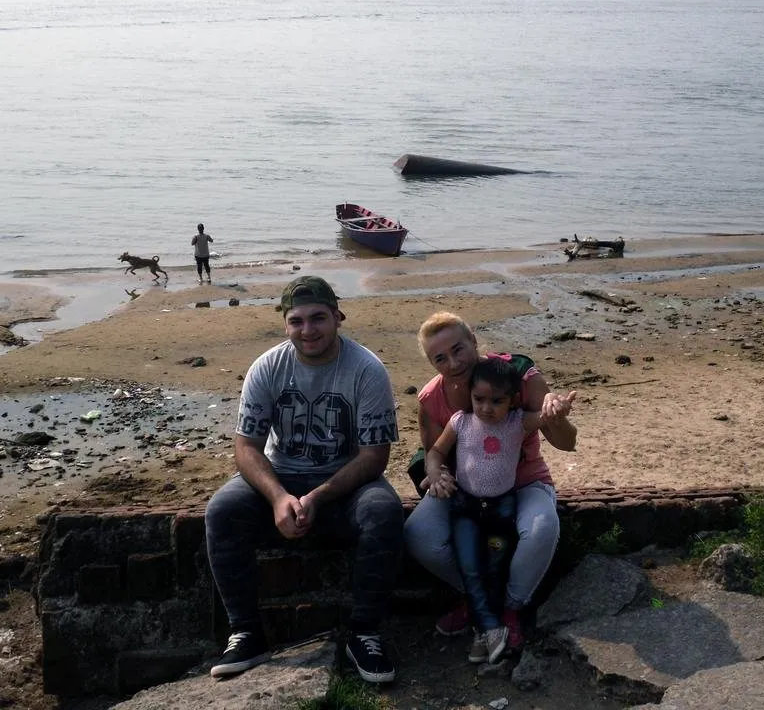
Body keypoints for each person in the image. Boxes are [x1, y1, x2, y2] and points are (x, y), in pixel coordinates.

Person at [204, 276, 403, 684]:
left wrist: (318, 496)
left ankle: (365, 632)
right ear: (285, 324)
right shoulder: (267, 368)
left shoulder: (367, 370)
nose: (308, 330)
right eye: (297, 321)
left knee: (383, 511)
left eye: (318, 318)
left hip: (346, 484)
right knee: (222, 511)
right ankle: (246, 632)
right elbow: (246, 448)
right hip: (282, 475)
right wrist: (278, 497)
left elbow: (374, 457)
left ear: (338, 317)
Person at [404, 312, 578, 652]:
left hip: (524, 482)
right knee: (419, 535)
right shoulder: (431, 398)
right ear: (431, 363)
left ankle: (510, 606)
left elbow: (567, 443)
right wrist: (437, 475)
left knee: (541, 529)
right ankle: (477, 598)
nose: (454, 363)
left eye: (458, 349)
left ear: (473, 340)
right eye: (440, 358)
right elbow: (435, 453)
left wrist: (555, 415)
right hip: (467, 488)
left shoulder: (519, 377)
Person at [425, 357, 550, 665]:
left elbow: (544, 417)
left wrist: (556, 407)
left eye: (497, 401)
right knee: (469, 567)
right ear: (470, 395)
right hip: (465, 509)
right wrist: (434, 471)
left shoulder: (517, 422)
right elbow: (436, 451)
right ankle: (491, 628)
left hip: (501, 510)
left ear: (513, 400)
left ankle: (485, 628)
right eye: (479, 399)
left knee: (495, 569)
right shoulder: (460, 422)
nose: (486, 408)